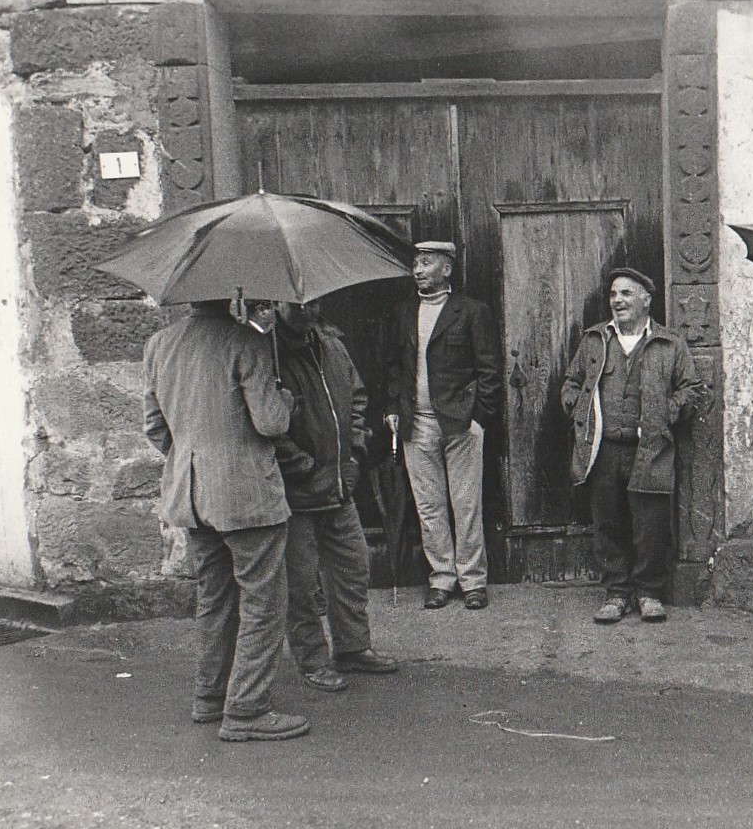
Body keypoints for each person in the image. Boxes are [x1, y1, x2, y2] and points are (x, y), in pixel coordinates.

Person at [143, 299, 308, 742]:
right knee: (264, 601)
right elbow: (271, 422)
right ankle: (247, 710)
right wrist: (287, 398)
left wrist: (191, 462)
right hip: (246, 495)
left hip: (192, 497)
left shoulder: (159, 344)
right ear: (229, 293)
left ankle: (210, 698)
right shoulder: (246, 341)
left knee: (214, 598)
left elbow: (155, 428)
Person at [562, 268, 710, 624]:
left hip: (651, 448)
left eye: (627, 294)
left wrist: (665, 414)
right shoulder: (595, 340)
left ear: (646, 299)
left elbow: (693, 389)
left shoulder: (669, 343)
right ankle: (616, 593)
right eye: (614, 294)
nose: (618, 301)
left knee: (651, 524)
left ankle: (648, 593)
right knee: (608, 523)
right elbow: (572, 383)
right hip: (603, 448)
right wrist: (578, 409)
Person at [272, 300, 401, 693]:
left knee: (352, 566)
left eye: (312, 302)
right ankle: (312, 660)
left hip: (340, 485)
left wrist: (356, 451)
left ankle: (352, 647)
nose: (307, 309)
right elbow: (269, 429)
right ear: (278, 303)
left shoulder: (332, 346)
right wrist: (304, 467)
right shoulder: (268, 354)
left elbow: (357, 400)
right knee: (302, 584)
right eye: (296, 303)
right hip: (298, 494)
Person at [383, 241, 502, 611]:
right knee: (429, 505)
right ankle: (441, 578)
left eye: (426, 262)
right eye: (416, 263)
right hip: (415, 424)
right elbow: (393, 366)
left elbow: (489, 370)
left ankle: (472, 580)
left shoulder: (471, 312)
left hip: (460, 424)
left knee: (466, 504)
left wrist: (478, 418)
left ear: (446, 269)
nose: (418, 269)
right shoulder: (403, 312)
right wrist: (391, 406)